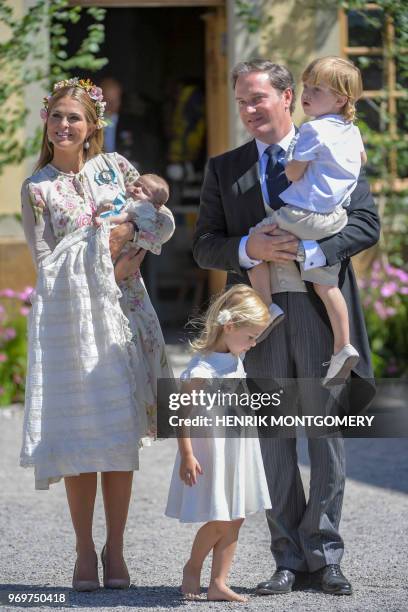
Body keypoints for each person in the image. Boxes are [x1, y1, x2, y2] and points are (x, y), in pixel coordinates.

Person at [193, 59, 380, 596]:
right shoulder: (225, 169)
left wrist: (316, 248)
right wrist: (247, 247)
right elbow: (205, 242)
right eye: (241, 102)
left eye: (258, 99)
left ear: (287, 96)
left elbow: (366, 223)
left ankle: (323, 555)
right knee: (274, 438)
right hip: (260, 321)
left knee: (325, 437)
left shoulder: (334, 143)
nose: (249, 110)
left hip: (320, 315)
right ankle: (287, 558)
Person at [20, 77, 174, 591]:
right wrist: (98, 254)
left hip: (125, 315)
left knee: (119, 434)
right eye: (57, 116)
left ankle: (118, 549)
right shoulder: (38, 188)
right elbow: (45, 264)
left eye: (75, 118)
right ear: (47, 120)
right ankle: (85, 549)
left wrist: (131, 244)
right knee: (84, 434)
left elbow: (157, 223)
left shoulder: (119, 170)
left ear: (92, 127)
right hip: (73, 323)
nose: (64, 125)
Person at [248, 56, 365, 386]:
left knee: (257, 242)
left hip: (303, 214)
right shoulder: (352, 131)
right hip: (333, 218)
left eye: (317, 89)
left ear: (341, 99)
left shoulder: (313, 129)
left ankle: (267, 307)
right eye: (306, 86)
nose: (306, 94)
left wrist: (293, 167)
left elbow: (294, 171)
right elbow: (360, 160)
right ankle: (343, 345)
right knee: (326, 285)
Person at [165, 284, 272, 602]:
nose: (253, 345)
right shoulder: (202, 369)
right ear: (229, 327)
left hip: (236, 450)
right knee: (220, 517)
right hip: (211, 453)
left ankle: (219, 582)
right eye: (250, 336)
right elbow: (181, 415)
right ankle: (192, 566)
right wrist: (186, 454)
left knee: (236, 515)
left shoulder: (234, 360)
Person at [95, 173, 174, 256]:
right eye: (136, 184)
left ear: (156, 205)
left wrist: (104, 220)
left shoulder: (144, 208)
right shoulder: (125, 198)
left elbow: (125, 216)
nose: (137, 189)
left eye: (145, 192)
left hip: (122, 251)